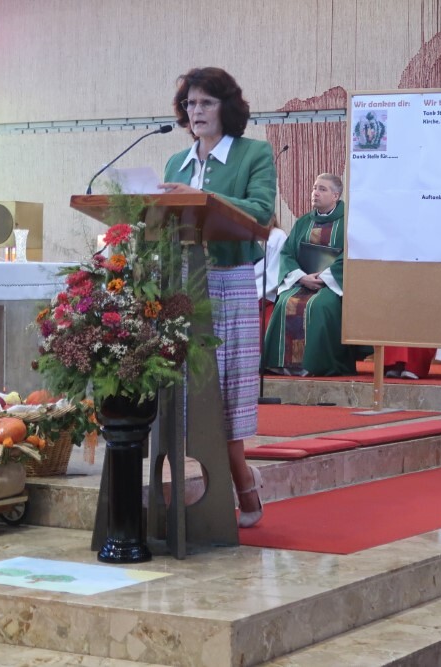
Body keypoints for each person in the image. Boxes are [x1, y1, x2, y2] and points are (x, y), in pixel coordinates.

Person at [161, 67, 275, 528]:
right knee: (185, 393)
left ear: (227, 107)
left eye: (206, 102)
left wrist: (200, 196)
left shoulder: (253, 154)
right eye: (190, 103)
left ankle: (243, 483)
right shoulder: (176, 163)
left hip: (229, 281)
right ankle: (196, 492)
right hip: (180, 284)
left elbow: (261, 213)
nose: (196, 111)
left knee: (224, 396)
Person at [263, 174, 366, 376]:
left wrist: (324, 277)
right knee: (284, 302)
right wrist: (301, 277)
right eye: (314, 188)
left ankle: (315, 364)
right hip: (302, 281)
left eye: (322, 189)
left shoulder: (350, 222)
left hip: (333, 285)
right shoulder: (304, 222)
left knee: (319, 306)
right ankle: (282, 363)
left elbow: (352, 255)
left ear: (336, 195)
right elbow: (287, 254)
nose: (315, 193)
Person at [254, 214, 287, 322]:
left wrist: (249, 292)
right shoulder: (245, 234)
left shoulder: (278, 236)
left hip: (265, 297)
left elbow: (274, 275)